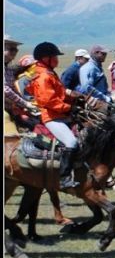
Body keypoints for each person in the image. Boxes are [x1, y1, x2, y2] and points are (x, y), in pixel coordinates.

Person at [29, 42, 80, 189]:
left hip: (60, 114)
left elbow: (61, 94)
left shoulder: (49, 73)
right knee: (71, 142)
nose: (57, 60)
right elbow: (49, 100)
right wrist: (69, 108)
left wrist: (75, 99)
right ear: (46, 58)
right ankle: (64, 178)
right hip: (52, 117)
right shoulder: (44, 76)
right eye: (55, 57)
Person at [4, 35, 40, 132]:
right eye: (11, 49)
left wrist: (24, 104)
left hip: (9, 107)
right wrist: (25, 103)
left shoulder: (8, 69)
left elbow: (12, 88)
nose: (14, 52)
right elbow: (6, 90)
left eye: (16, 50)